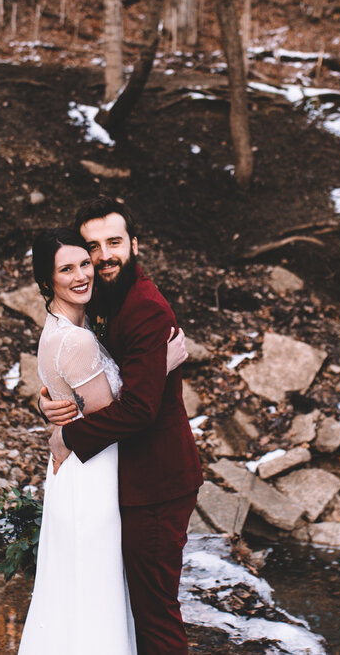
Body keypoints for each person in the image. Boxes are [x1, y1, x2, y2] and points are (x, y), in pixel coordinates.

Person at [41, 197, 204, 654]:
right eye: (93, 246)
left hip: (157, 481)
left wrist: (67, 436)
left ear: (134, 243)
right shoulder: (104, 299)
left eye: (114, 242)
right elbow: (86, 370)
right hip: (128, 478)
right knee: (131, 606)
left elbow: (138, 409)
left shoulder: (145, 308)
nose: (104, 254)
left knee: (154, 612)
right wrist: (52, 403)